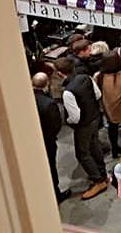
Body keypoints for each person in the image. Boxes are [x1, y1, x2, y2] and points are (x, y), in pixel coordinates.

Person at [53, 56, 108, 200]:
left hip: (83, 125)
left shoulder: (68, 92)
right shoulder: (86, 77)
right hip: (95, 117)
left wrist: (68, 121)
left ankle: (98, 181)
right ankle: (103, 174)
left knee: (82, 154)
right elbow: (98, 94)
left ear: (59, 73)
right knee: (95, 146)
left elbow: (75, 116)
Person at [32, 72, 70, 203]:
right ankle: (56, 194)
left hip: (34, 142)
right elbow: (56, 125)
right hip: (48, 141)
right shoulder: (49, 103)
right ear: (47, 84)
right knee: (51, 167)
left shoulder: (27, 100)